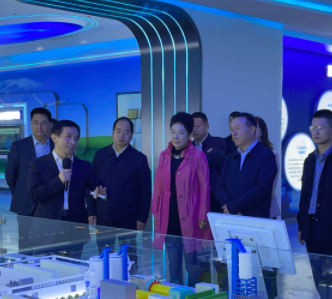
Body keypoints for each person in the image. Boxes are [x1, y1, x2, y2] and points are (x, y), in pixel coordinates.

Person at [28, 120, 106, 257]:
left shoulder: (84, 166)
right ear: (54, 138)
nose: (72, 142)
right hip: (46, 228)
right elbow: (33, 195)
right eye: (68, 137)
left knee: (73, 267)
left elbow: (98, 185)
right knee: (45, 267)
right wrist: (58, 181)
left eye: (76, 138)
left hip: (75, 227)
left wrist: (101, 191)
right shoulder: (38, 164)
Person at [152, 112, 211, 286]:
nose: (176, 136)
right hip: (169, 218)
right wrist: (156, 213)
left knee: (192, 265)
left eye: (181, 132)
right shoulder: (164, 156)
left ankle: (193, 296)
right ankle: (176, 297)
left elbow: (204, 188)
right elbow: (158, 186)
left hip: (191, 218)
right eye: (173, 132)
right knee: (173, 265)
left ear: (189, 134)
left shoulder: (198, 156)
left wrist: (203, 215)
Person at [298, 110, 332, 294]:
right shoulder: (309, 160)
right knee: (317, 278)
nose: (316, 131)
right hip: (311, 228)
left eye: (321, 127)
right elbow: (305, 195)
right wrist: (301, 226)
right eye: (313, 127)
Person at [88, 117, 152, 255]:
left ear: (131, 135)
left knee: (128, 257)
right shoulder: (100, 155)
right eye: (118, 131)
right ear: (112, 133)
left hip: (129, 218)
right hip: (103, 216)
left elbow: (145, 191)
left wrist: (142, 217)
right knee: (105, 255)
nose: (121, 135)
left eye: (126, 132)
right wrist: (91, 211)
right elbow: (91, 184)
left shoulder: (139, 159)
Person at [5, 107, 54, 251]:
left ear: (50, 124)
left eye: (44, 123)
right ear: (30, 124)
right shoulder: (19, 146)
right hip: (26, 203)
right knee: (26, 243)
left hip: (51, 202)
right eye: (36, 122)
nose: (40, 126)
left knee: (49, 241)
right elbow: (11, 175)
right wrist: (20, 193)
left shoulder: (56, 145)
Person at [217, 113, 278, 219]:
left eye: (237, 129)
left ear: (252, 130)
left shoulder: (266, 155)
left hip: (255, 219)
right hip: (231, 216)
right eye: (231, 130)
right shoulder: (231, 157)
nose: (233, 133)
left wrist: (234, 207)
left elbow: (261, 188)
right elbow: (220, 186)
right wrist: (229, 208)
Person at [191, 112, 226, 213]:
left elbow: (212, 159)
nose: (194, 129)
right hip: (193, 194)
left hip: (214, 194)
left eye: (198, 126)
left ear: (207, 126)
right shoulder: (188, 147)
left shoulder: (218, 141)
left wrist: (192, 160)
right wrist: (205, 154)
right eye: (192, 126)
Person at [255, 116, 281, 219]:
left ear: (262, 132)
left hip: (266, 205)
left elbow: (270, 184)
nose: (252, 130)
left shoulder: (271, 154)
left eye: (255, 127)